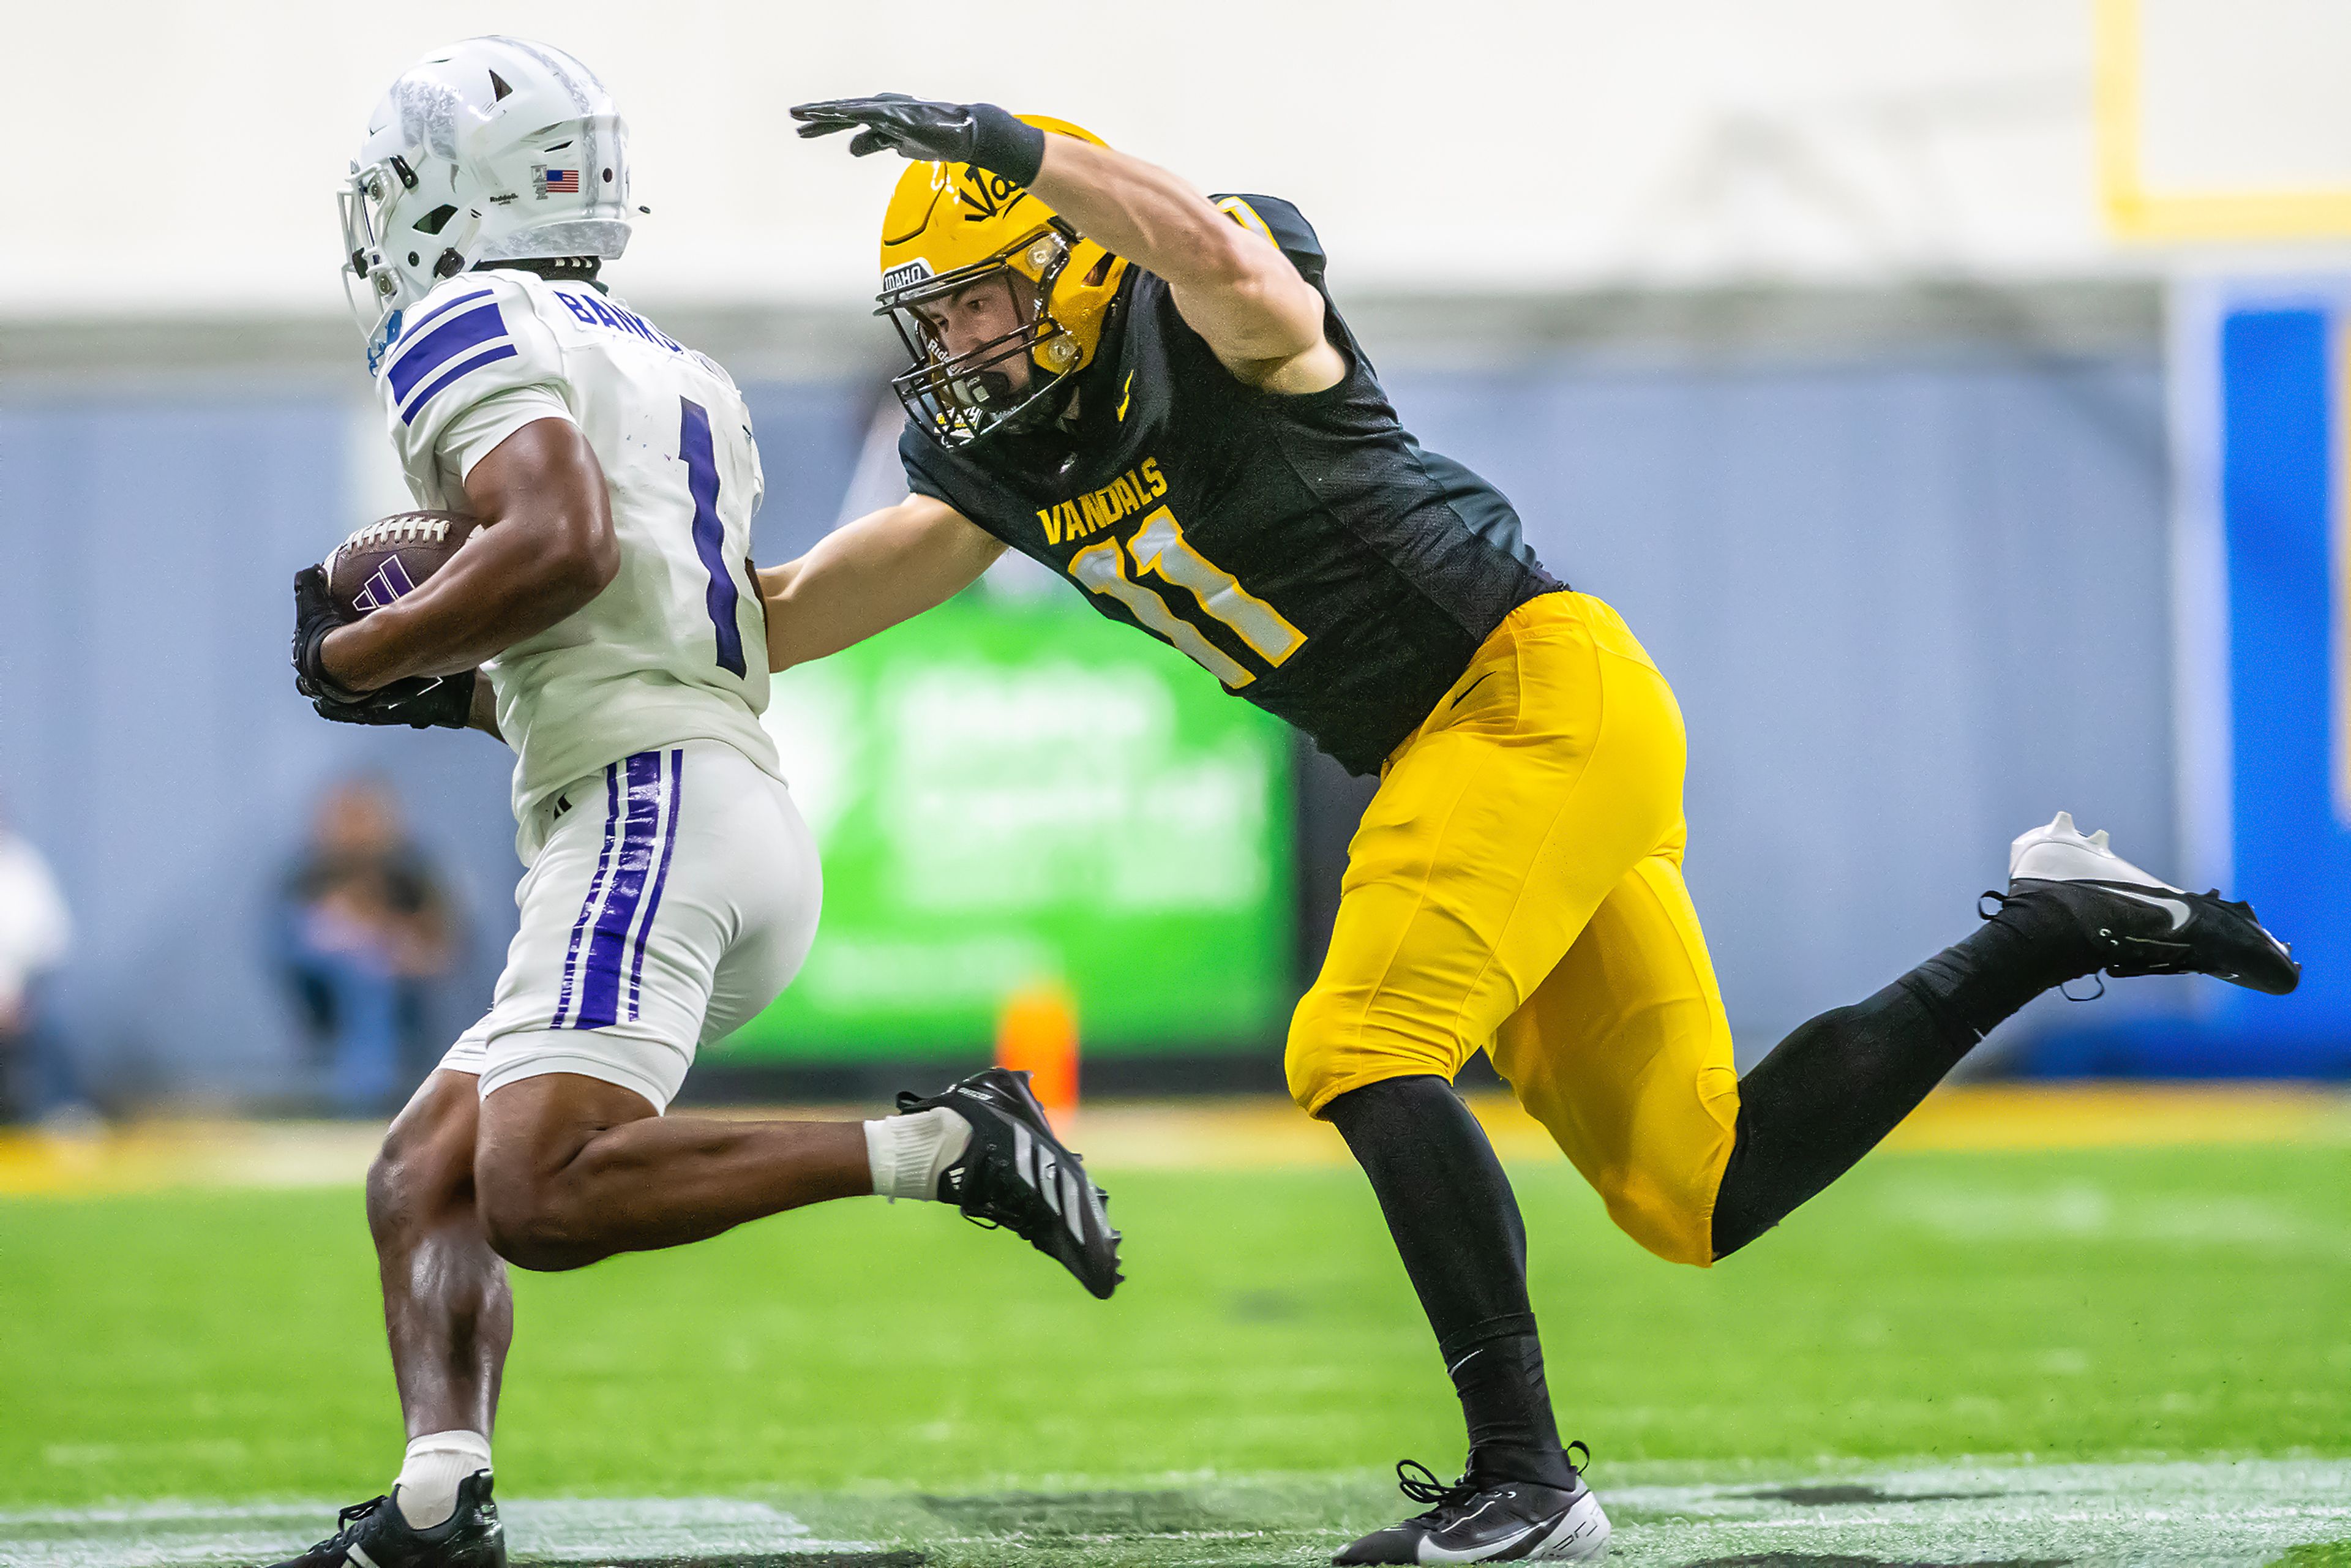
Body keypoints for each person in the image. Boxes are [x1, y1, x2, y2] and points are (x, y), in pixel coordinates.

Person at [774, 98, 2303, 1564]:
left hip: (1526, 699)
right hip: (1481, 749)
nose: (958, 343)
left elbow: (1218, 255)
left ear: (1078, 256)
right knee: (1696, 1185)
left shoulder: (1213, 316)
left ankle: (1523, 1475)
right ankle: (2049, 927)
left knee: (1357, 1040)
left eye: (978, 301)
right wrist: (566, 657)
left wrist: (1010, 144)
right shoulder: (1009, 467)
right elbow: (801, 607)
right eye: (942, 316)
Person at [276, 43, 1120, 1568]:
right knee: (429, 1167)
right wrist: (451, 678)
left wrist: (361, 645)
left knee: (532, 1188)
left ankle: (942, 1140)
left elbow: (562, 545)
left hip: (647, 810)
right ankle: (433, 1499)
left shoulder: (465, 314)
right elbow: (627, 621)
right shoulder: (675, 367)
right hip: (703, 798)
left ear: (441, 198)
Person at [278, 777, 458, 1114]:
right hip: (328, 974)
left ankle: (376, 1091)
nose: (358, 830)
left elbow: (440, 943)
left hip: (396, 970)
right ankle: (365, 1097)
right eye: (349, 818)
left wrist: (404, 948)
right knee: (365, 973)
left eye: (367, 817)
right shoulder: (310, 872)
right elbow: (309, 937)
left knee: (375, 971)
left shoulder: (409, 872)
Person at [0, 809, 75, 1123]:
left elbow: (51, 944)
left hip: (19, 1003)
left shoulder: (22, 868)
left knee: (52, 1032)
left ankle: (61, 1118)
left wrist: (21, 1000)